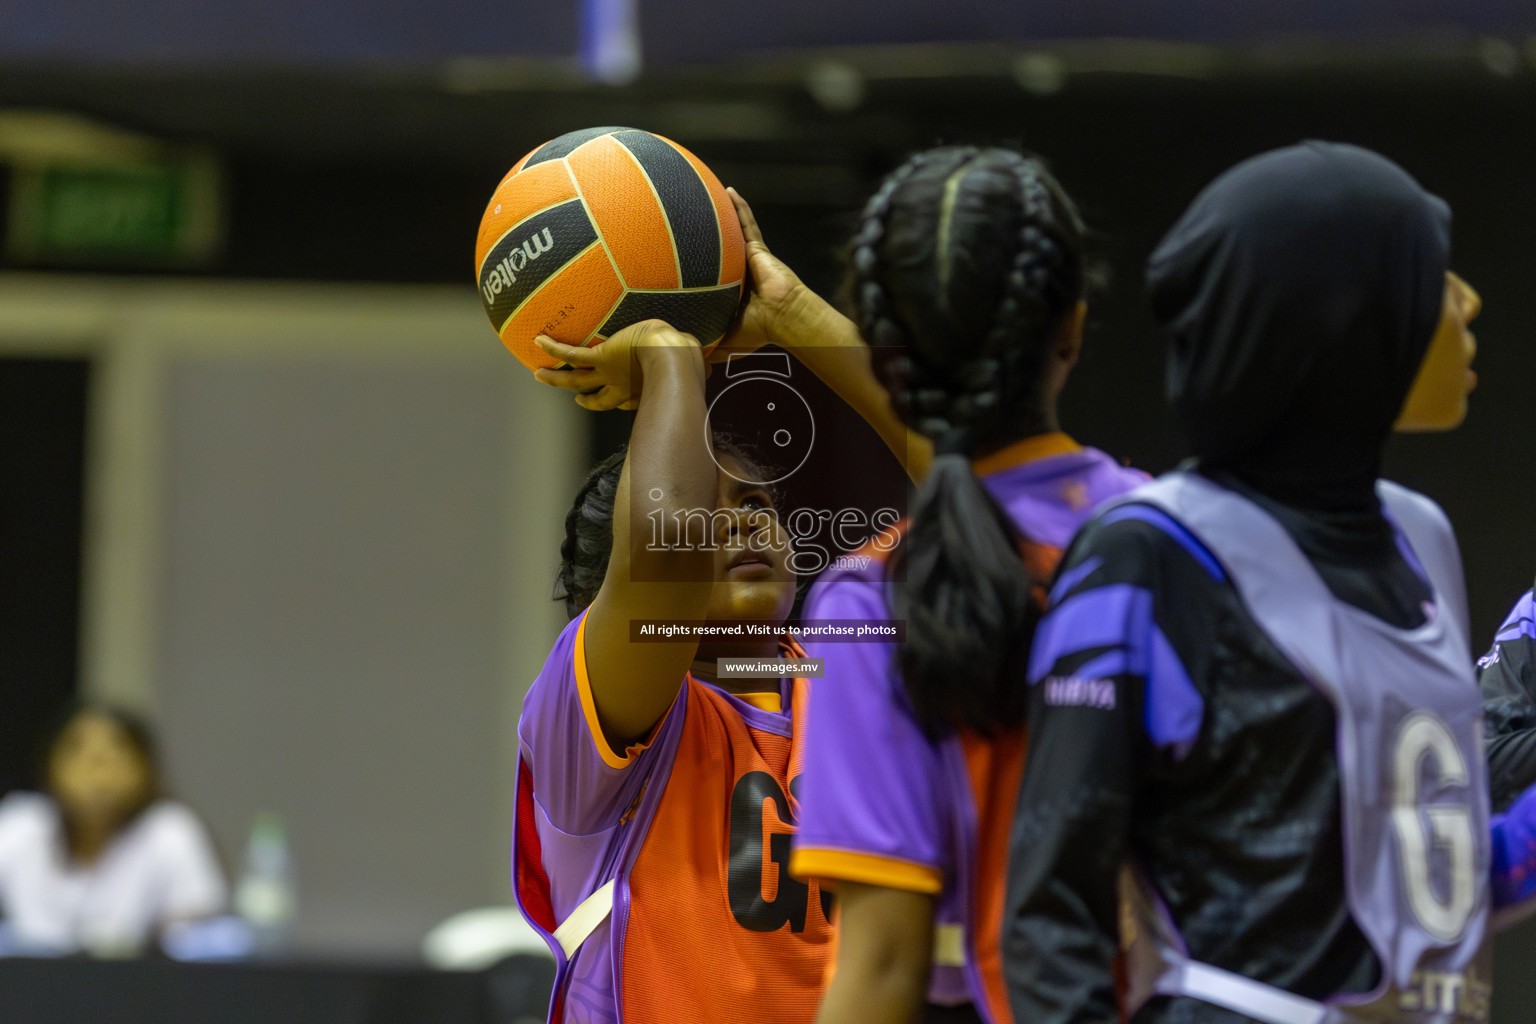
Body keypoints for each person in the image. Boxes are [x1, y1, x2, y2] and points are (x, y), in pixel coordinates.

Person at [1002, 142, 1536, 1024]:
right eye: (1434, 274)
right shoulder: (1150, 552)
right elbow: (1051, 917)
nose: (1470, 301)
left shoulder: (1420, 536)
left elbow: (1442, 884)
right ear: (1345, 322)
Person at [511, 189, 927, 1024]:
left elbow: (979, 479)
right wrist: (671, 354)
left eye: (761, 505)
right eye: (714, 502)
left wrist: (792, 318)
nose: (741, 518)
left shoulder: (843, 670)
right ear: (608, 595)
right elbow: (662, 553)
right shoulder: (592, 722)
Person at [785, 147, 1145, 1024]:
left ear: (887, 352)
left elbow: (882, 967)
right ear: (1074, 326)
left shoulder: (870, 599)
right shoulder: (1187, 538)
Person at [0, 703, 227, 956]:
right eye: (78, 751)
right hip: (26, 986)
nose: (97, 770)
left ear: (145, 767)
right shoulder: (20, 824)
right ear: (51, 763)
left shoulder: (169, 831)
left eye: (115, 753)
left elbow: (201, 934)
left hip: (136, 988)